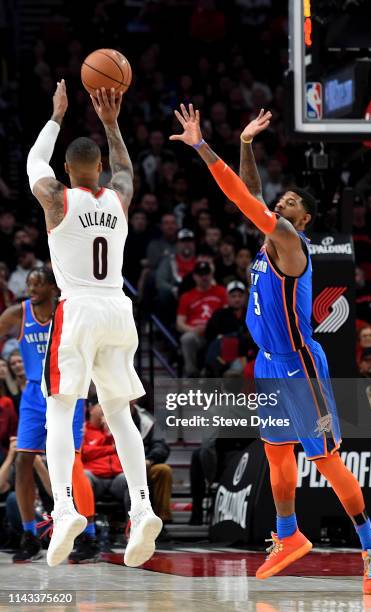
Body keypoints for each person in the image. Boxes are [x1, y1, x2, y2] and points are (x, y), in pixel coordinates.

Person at [170, 103, 371, 594]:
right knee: (275, 454)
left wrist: (203, 146)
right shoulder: (269, 239)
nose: (282, 203)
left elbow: (240, 197)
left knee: (328, 461)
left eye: (290, 201)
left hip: (299, 368)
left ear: (303, 218)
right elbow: (250, 195)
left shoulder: (290, 241)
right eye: (282, 199)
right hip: (268, 365)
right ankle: (289, 536)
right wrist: (246, 143)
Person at [26, 80, 162, 567]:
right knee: (120, 412)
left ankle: (64, 508)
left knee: (60, 410)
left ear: (68, 170)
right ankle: (142, 506)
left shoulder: (56, 200)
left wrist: (57, 115)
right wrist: (110, 122)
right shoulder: (119, 198)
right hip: (117, 308)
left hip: (78, 307)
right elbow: (125, 167)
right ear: (99, 168)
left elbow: (32, 165)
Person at [0, 267, 96, 563]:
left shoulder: (70, 310)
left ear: (54, 287)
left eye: (38, 283)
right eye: (29, 283)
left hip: (66, 392)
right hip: (33, 394)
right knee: (24, 458)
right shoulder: (19, 313)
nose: (31, 288)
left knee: (73, 461)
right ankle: (30, 534)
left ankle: (89, 535)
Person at [176, 261, 227, 376]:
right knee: (187, 338)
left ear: (211, 275)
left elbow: (226, 315)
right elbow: (179, 323)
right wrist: (193, 330)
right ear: (194, 276)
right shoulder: (186, 296)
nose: (204, 277)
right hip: (196, 334)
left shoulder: (221, 292)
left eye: (206, 274)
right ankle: (192, 373)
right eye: (200, 274)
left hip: (215, 333)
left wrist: (213, 328)